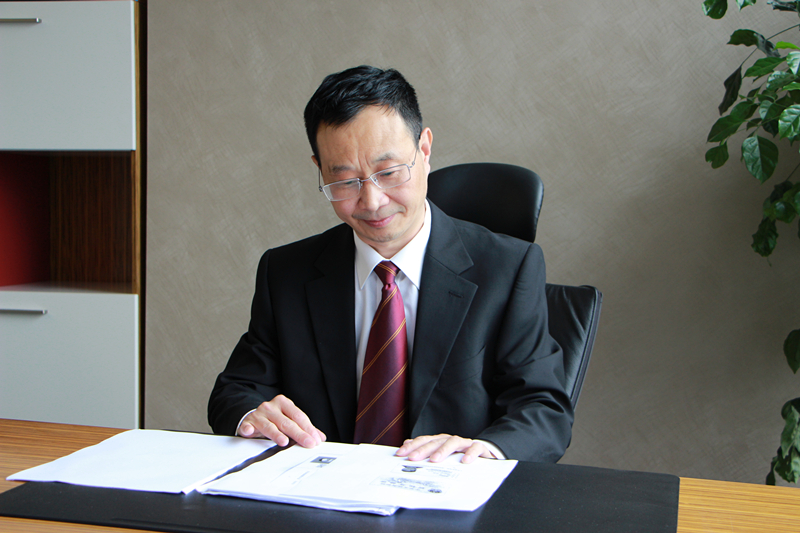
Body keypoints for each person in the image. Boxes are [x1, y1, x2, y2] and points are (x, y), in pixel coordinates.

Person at [208, 65, 573, 463]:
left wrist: (485, 450)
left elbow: (544, 409)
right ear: (320, 170)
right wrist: (251, 415)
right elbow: (236, 390)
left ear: (425, 150)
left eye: (389, 172)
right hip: (322, 491)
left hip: (446, 488)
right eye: (345, 181)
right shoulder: (286, 272)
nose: (372, 202)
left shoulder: (508, 268)